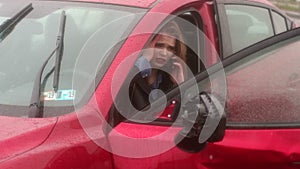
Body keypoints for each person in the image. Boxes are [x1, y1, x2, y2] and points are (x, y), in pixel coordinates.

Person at [129, 20, 187, 110]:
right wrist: (144, 59)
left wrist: (179, 86)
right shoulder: (130, 71)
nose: (164, 53)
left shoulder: (167, 80)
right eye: (159, 45)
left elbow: (179, 115)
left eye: (170, 48)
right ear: (148, 45)